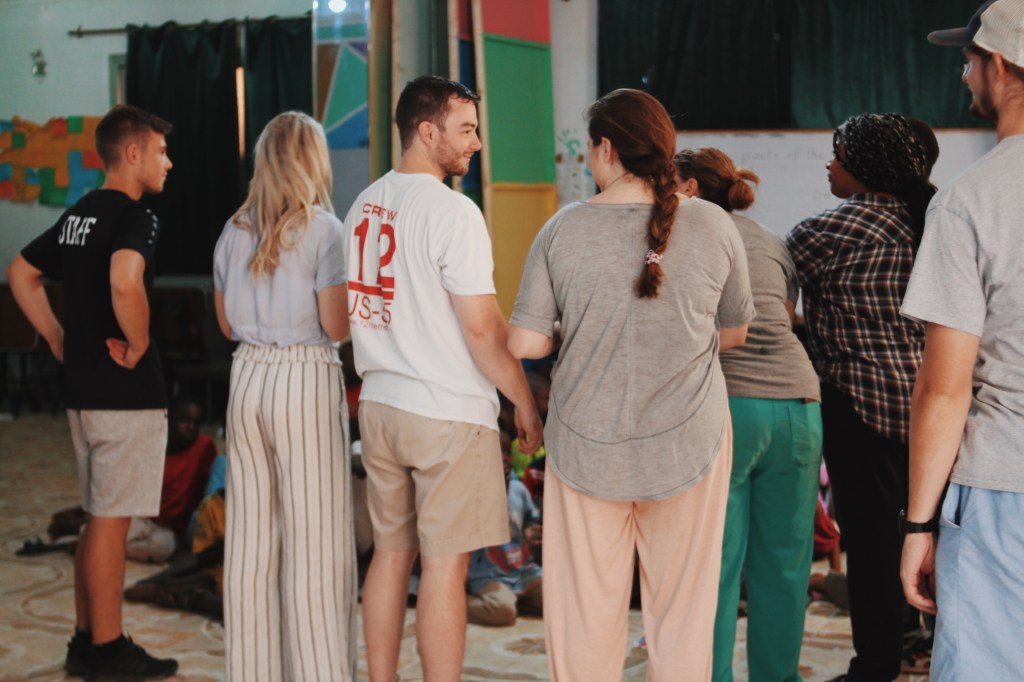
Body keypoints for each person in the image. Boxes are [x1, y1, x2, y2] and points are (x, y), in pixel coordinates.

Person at [509, 88, 754, 682]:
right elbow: (735, 331)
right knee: (683, 616)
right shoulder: (715, 223)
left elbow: (525, 344)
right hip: (689, 441)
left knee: (584, 614)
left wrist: (579, 324)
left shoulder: (563, 228)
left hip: (586, 442)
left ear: (606, 148)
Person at [342, 74, 543, 682]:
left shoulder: (363, 204)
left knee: (389, 557)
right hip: (446, 414)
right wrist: (523, 400)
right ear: (427, 132)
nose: (476, 143)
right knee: (445, 568)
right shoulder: (454, 211)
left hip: (380, 405)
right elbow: (482, 328)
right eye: (466, 130)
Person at [5, 103, 177, 679]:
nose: (168, 163)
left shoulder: (78, 214)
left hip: (82, 392)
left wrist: (55, 335)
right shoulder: (136, 216)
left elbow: (21, 273)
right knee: (110, 522)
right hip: (123, 394)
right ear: (132, 153)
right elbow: (125, 280)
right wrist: (139, 341)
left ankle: (86, 640)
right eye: (160, 152)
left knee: (97, 518)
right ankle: (107, 648)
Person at [786, 113, 937, 682]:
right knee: (932, 536)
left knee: (871, 545)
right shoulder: (932, 222)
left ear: (865, 165)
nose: (829, 164)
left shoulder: (821, 233)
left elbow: (776, 313)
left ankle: (875, 666)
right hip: (931, 405)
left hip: (856, 407)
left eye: (839, 154)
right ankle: (936, 650)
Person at [900, 1, 1024, 678]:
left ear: (999, 66)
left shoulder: (971, 200)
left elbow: (944, 390)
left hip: (1006, 487)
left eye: (969, 62)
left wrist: (920, 526)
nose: (966, 75)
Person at [213, 111, 355, 681]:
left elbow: (225, 324)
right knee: (315, 541)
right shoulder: (325, 231)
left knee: (249, 543)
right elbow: (335, 325)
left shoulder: (233, 229)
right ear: (312, 161)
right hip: (304, 376)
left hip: (246, 377)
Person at [675, 147, 822, 682]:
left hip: (729, 407)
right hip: (799, 406)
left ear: (689, 188)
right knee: (785, 564)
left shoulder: (682, 235)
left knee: (715, 563)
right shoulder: (770, 240)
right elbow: (783, 315)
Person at [48, 394, 218, 564]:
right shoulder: (152, 444)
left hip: (168, 528)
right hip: (139, 516)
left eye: (196, 423)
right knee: (118, 527)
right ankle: (90, 534)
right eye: (184, 421)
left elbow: (210, 489)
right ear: (169, 419)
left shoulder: (204, 447)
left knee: (164, 548)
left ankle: (90, 539)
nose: (191, 428)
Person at [466, 432, 543, 626]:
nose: (503, 458)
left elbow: (530, 522)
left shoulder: (518, 490)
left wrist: (531, 531)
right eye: (495, 451)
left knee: (562, 598)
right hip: (490, 577)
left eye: (507, 452)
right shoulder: (470, 492)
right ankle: (456, 604)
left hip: (524, 574)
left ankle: (517, 600)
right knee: (502, 611)